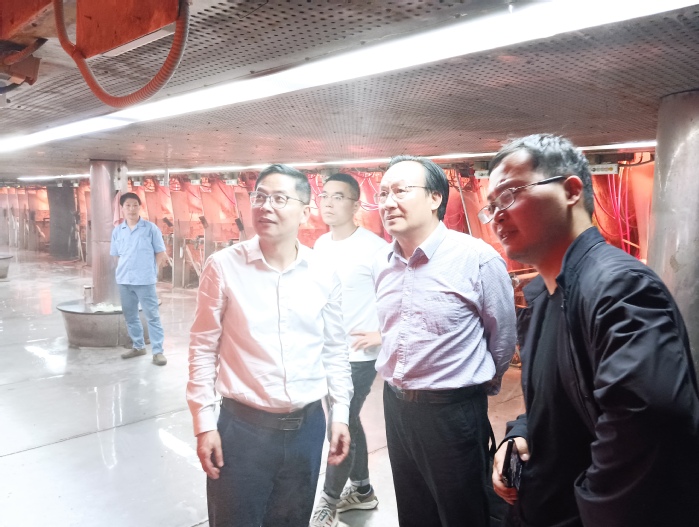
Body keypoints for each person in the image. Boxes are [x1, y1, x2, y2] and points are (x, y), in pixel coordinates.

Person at [485, 134, 699, 527]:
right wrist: (522, 432)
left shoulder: (618, 286)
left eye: (510, 193)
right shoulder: (547, 296)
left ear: (570, 191)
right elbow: (556, 402)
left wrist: (589, 507)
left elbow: (646, 422)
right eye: (492, 204)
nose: (497, 214)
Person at [186, 164, 354, 527]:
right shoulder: (223, 267)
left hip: (308, 429)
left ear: (305, 212)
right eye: (259, 197)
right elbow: (202, 348)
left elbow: (334, 349)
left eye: (279, 198)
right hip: (242, 430)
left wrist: (340, 412)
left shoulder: (323, 271)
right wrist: (204, 423)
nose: (265, 206)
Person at [372, 155, 517, 527]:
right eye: (382, 193)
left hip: (451, 411)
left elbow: (502, 339)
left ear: (435, 198)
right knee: (414, 509)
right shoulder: (383, 263)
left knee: (462, 512)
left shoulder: (477, 259)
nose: (388, 202)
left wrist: (475, 389)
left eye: (400, 191)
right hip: (396, 405)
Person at [310, 173, 387, 527]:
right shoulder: (321, 245)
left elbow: (399, 293)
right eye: (324, 195)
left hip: (358, 356)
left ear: (356, 205)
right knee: (348, 420)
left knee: (338, 423)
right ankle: (363, 490)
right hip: (329, 352)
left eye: (338, 196)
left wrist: (383, 334)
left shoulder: (374, 248)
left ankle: (328, 499)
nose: (328, 202)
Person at [110, 192, 168, 366]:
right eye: (128, 205)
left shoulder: (150, 229)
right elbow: (116, 255)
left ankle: (158, 352)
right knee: (130, 316)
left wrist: (151, 270)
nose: (131, 209)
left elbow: (160, 252)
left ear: (139, 207)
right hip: (124, 280)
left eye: (135, 205)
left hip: (145, 280)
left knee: (152, 316)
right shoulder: (118, 231)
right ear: (122, 208)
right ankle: (138, 346)